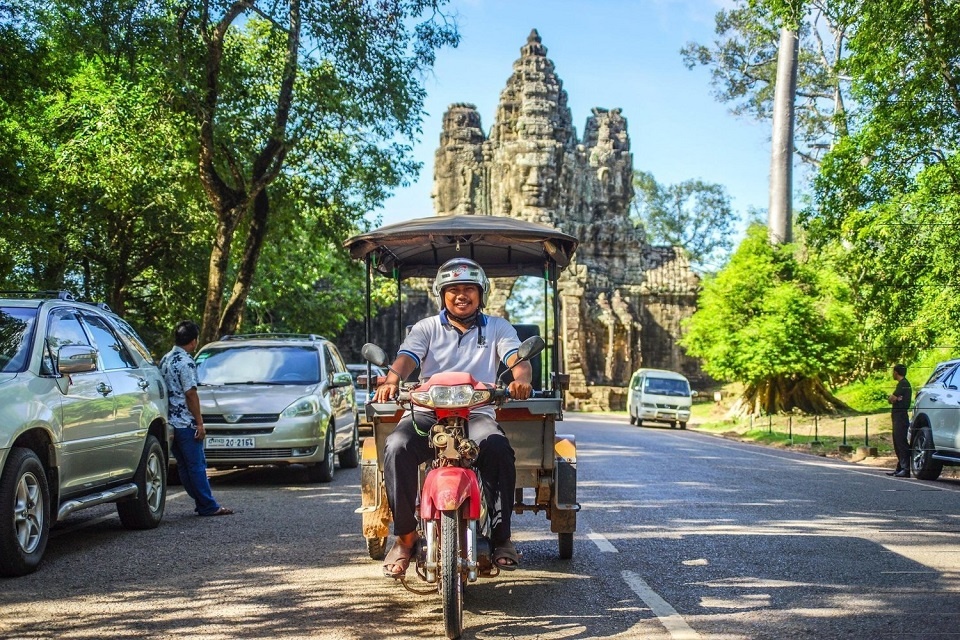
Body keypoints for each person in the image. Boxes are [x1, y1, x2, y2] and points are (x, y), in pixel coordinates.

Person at [374, 257, 533, 578]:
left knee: (499, 449)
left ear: (481, 294)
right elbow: (407, 358)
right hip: (428, 413)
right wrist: (392, 379)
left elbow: (517, 359)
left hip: (476, 412)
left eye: (469, 289)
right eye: (454, 290)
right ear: (442, 295)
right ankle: (405, 539)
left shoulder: (498, 327)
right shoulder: (426, 328)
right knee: (396, 447)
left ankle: (502, 538)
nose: (462, 295)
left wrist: (521, 379)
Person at [160, 320, 234, 516]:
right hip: (186, 421)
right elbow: (191, 393)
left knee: (184, 466)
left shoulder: (165, 359)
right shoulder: (186, 362)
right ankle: (208, 505)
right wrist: (199, 422)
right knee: (197, 466)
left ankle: (201, 501)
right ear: (194, 341)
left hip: (170, 421)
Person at [886, 363, 912, 478]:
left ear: (896, 372)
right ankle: (900, 467)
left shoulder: (903, 384)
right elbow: (893, 399)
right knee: (897, 442)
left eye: (893, 372)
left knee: (901, 442)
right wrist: (896, 399)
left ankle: (906, 469)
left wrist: (895, 398)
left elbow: (892, 398)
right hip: (897, 416)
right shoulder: (901, 384)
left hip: (901, 417)